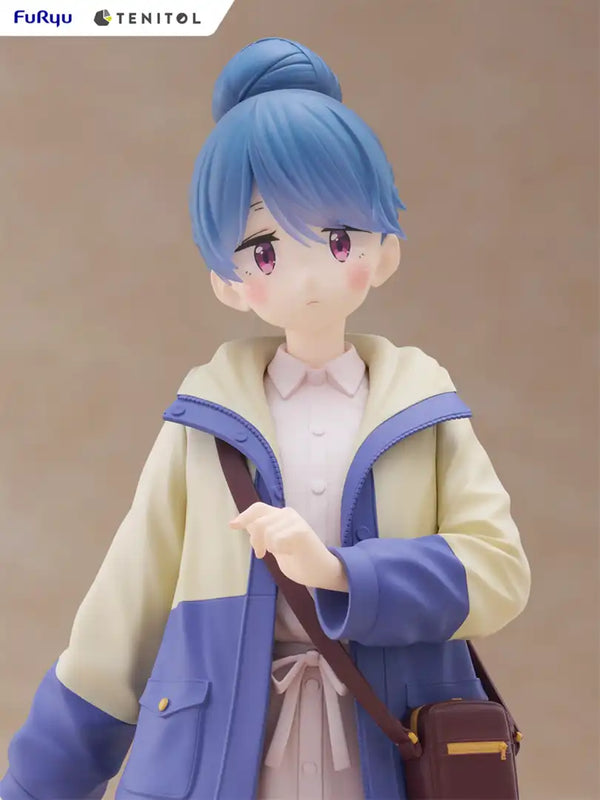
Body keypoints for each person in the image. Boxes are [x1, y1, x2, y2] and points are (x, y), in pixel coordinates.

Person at [0, 37, 531, 800]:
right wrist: (37, 785)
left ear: (384, 252)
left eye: (338, 238)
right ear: (227, 280)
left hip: (389, 748)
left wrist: (344, 574)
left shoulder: (424, 414)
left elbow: (498, 572)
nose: (309, 274)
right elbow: (122, 618)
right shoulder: (202, 428)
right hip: (221, 758)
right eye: (265, 249)